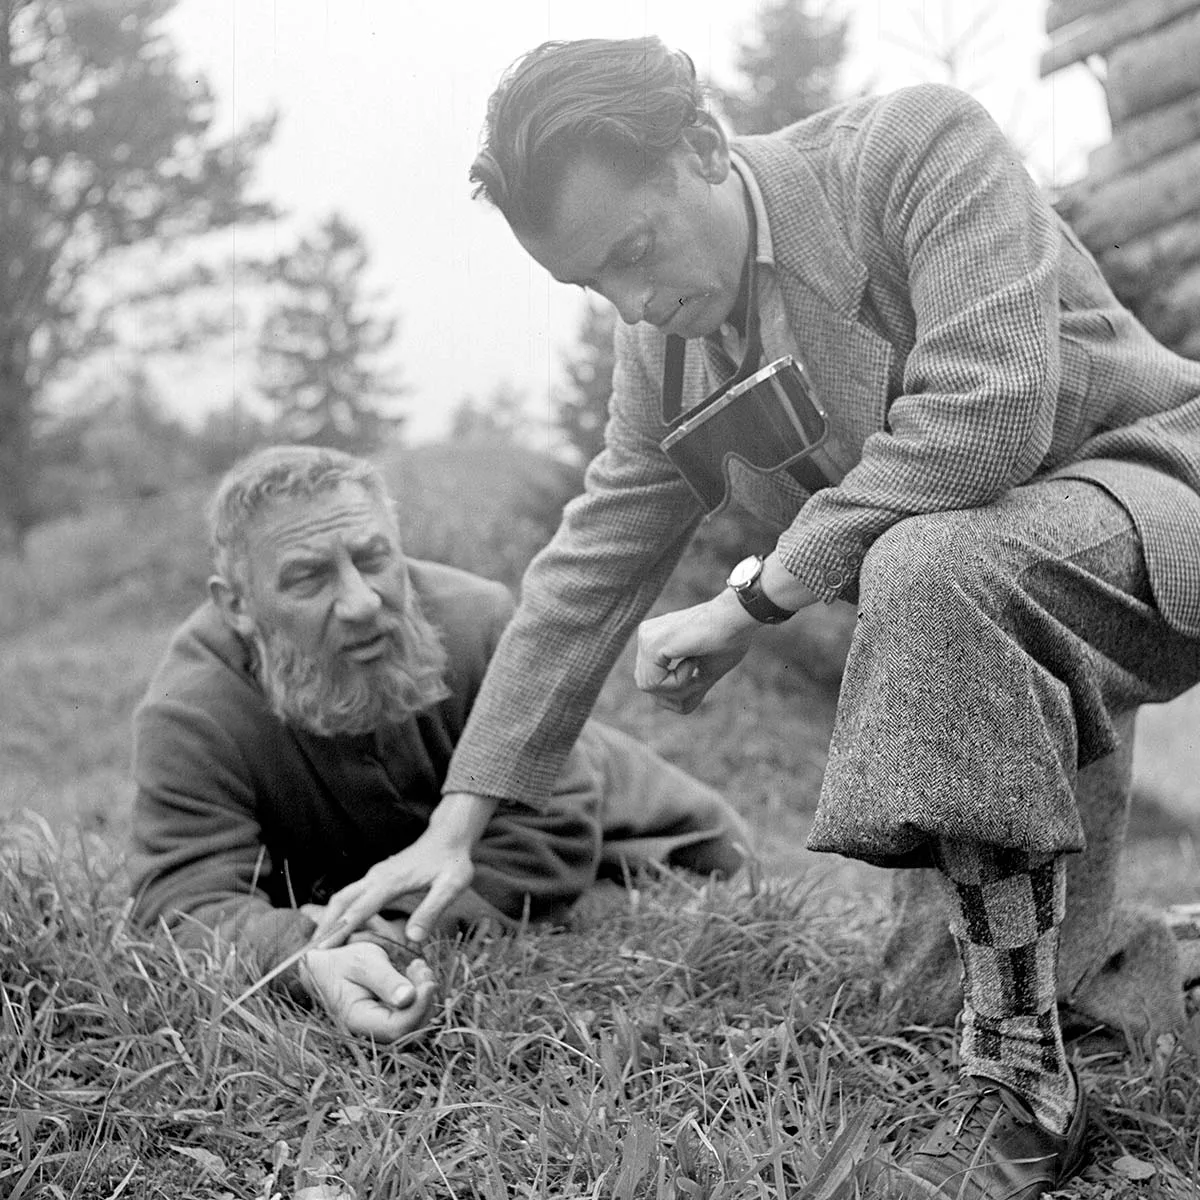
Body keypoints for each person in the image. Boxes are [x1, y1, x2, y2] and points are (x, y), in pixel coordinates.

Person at [302, 38, 1200, 1197]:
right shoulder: (662, 346)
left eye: (636, 250)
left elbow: (991, 413)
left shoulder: (917, 148)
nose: (637, 303)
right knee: (935, 993)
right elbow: (587, 573)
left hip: (1155, 508)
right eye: (595, 286)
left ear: (707, 149)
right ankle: (1144, 959)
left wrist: (756, 594)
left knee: (929, 564)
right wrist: (457, 827)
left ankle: (1025, 1086)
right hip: (984, 616)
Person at [128, 443, 748, 1044]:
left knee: (614, 920)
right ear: (236, 605)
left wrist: (393, 938)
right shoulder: (192, 713)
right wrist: (306, 957)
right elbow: (184, 900)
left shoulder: (478, 621)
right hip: (459, 877)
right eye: (308, 578)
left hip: (659, 847)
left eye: (373, 558)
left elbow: (553, 828)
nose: (362, 602)